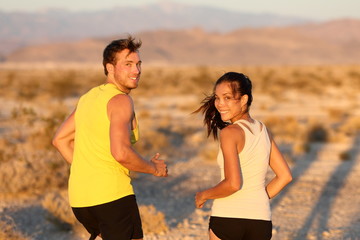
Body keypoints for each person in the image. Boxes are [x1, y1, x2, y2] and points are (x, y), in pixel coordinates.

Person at [52, 36, 168, 240]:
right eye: (128, 64)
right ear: (110, 67)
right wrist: (154, 169)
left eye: (139, 64)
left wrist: (89, 169)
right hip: (112, 197)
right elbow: (121, 152)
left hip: (81, 200)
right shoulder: (121, 101)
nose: (136, 71)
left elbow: (60, 140)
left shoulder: (88, 98)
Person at [194, 72, 292, 240]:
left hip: (228, 217)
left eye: (227, 98)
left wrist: (203, 195)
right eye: (217, 98)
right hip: (260, 220)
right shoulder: (263, 130)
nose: (220, 104)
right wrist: (257, 198)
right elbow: (285, 176)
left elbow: (233, 184)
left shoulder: (230, 133)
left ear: (244, 100)